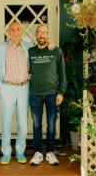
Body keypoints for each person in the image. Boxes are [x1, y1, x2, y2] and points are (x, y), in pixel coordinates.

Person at [0, 21, 31, 165]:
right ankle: (6, 152)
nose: (16, 32)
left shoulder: (28, 46)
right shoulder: (0, 49)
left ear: (22, 31)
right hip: (7, 87)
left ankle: (20, 151)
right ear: (8, 32)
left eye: (18, 29)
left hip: (23, 88)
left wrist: (51, 45)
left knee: (23, 122)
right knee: (6, 122)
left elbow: (42, 50)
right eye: (13, 30)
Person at [28, 24, 67, 166]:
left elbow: (62, 74)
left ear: (48, 35)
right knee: (37, 124)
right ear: (36, 35)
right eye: (39, 32)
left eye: (45, 32)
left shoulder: (56, 51)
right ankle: (38, 152)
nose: (42, 35)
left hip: (52, 93)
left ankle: (50, 152)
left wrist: (61, 92)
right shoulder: (30, 51)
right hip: (35, 94)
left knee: (51, 125)